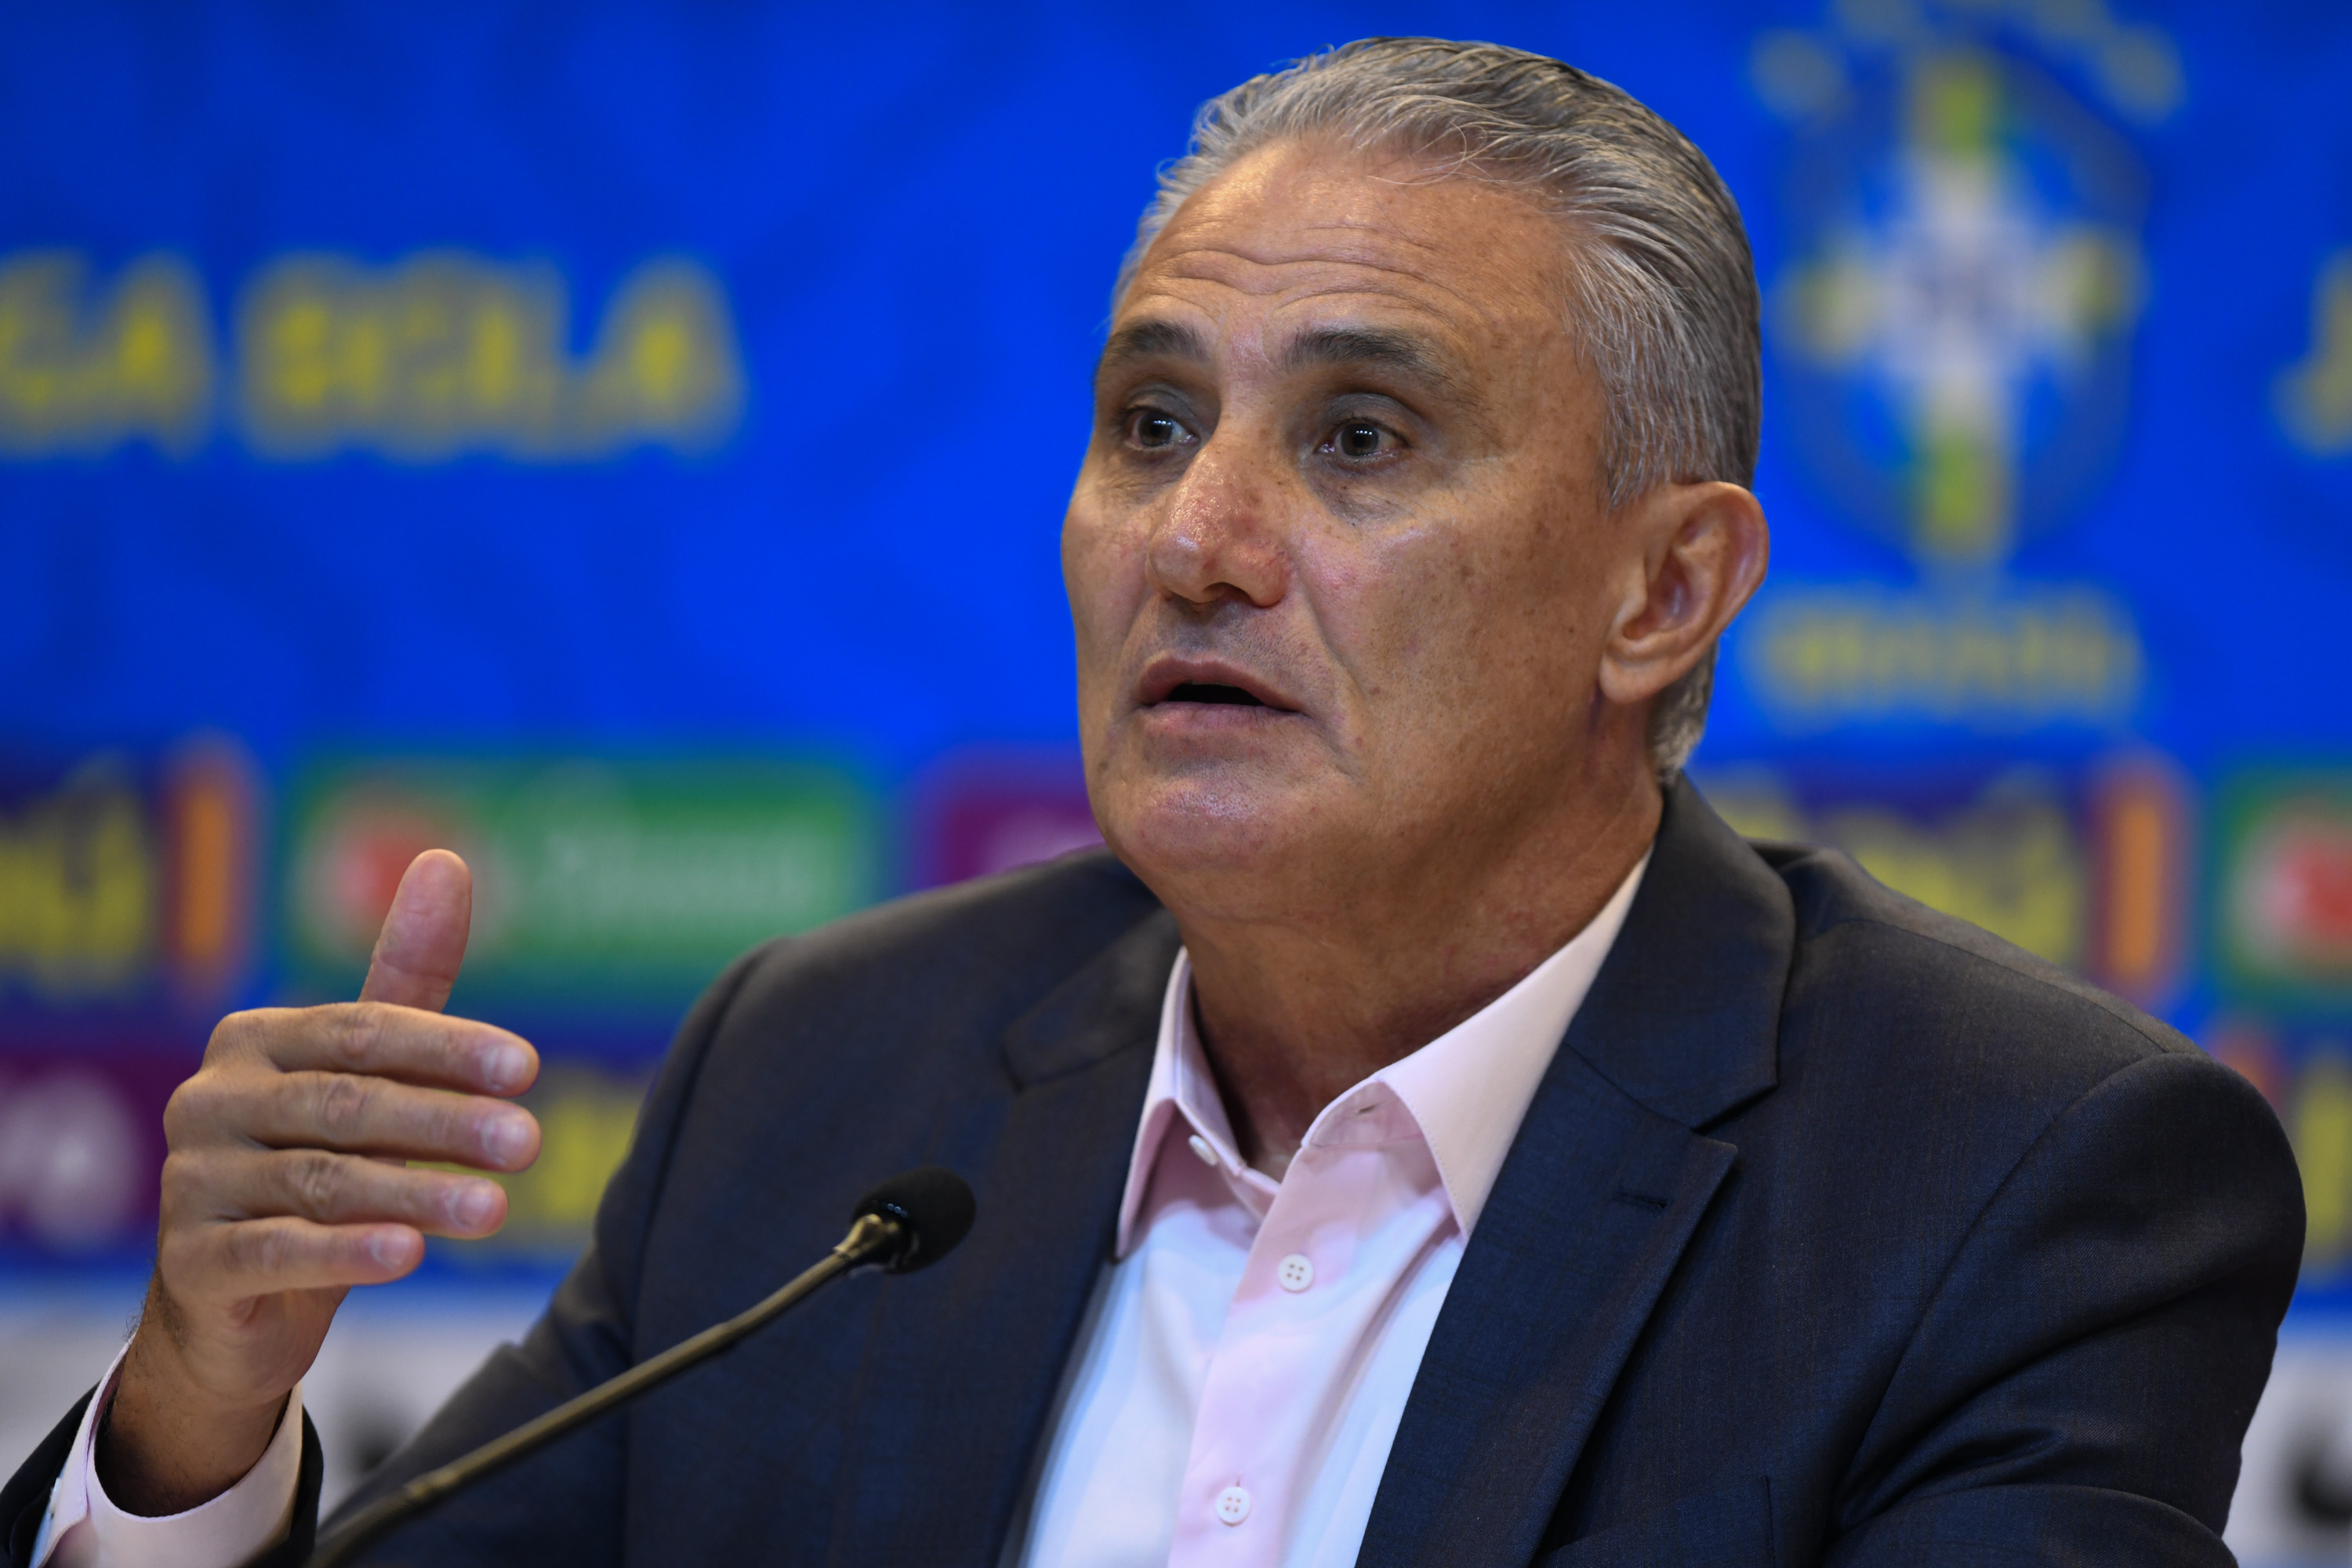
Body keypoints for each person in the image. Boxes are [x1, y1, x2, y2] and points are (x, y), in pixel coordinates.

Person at [3, 37, 2300, 1568]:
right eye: (1151, 424)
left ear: (1661, 591)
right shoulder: (823, 1086)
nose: (1199, 538)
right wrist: (202, 1421)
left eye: (1361, 439)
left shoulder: (2010, 1185)